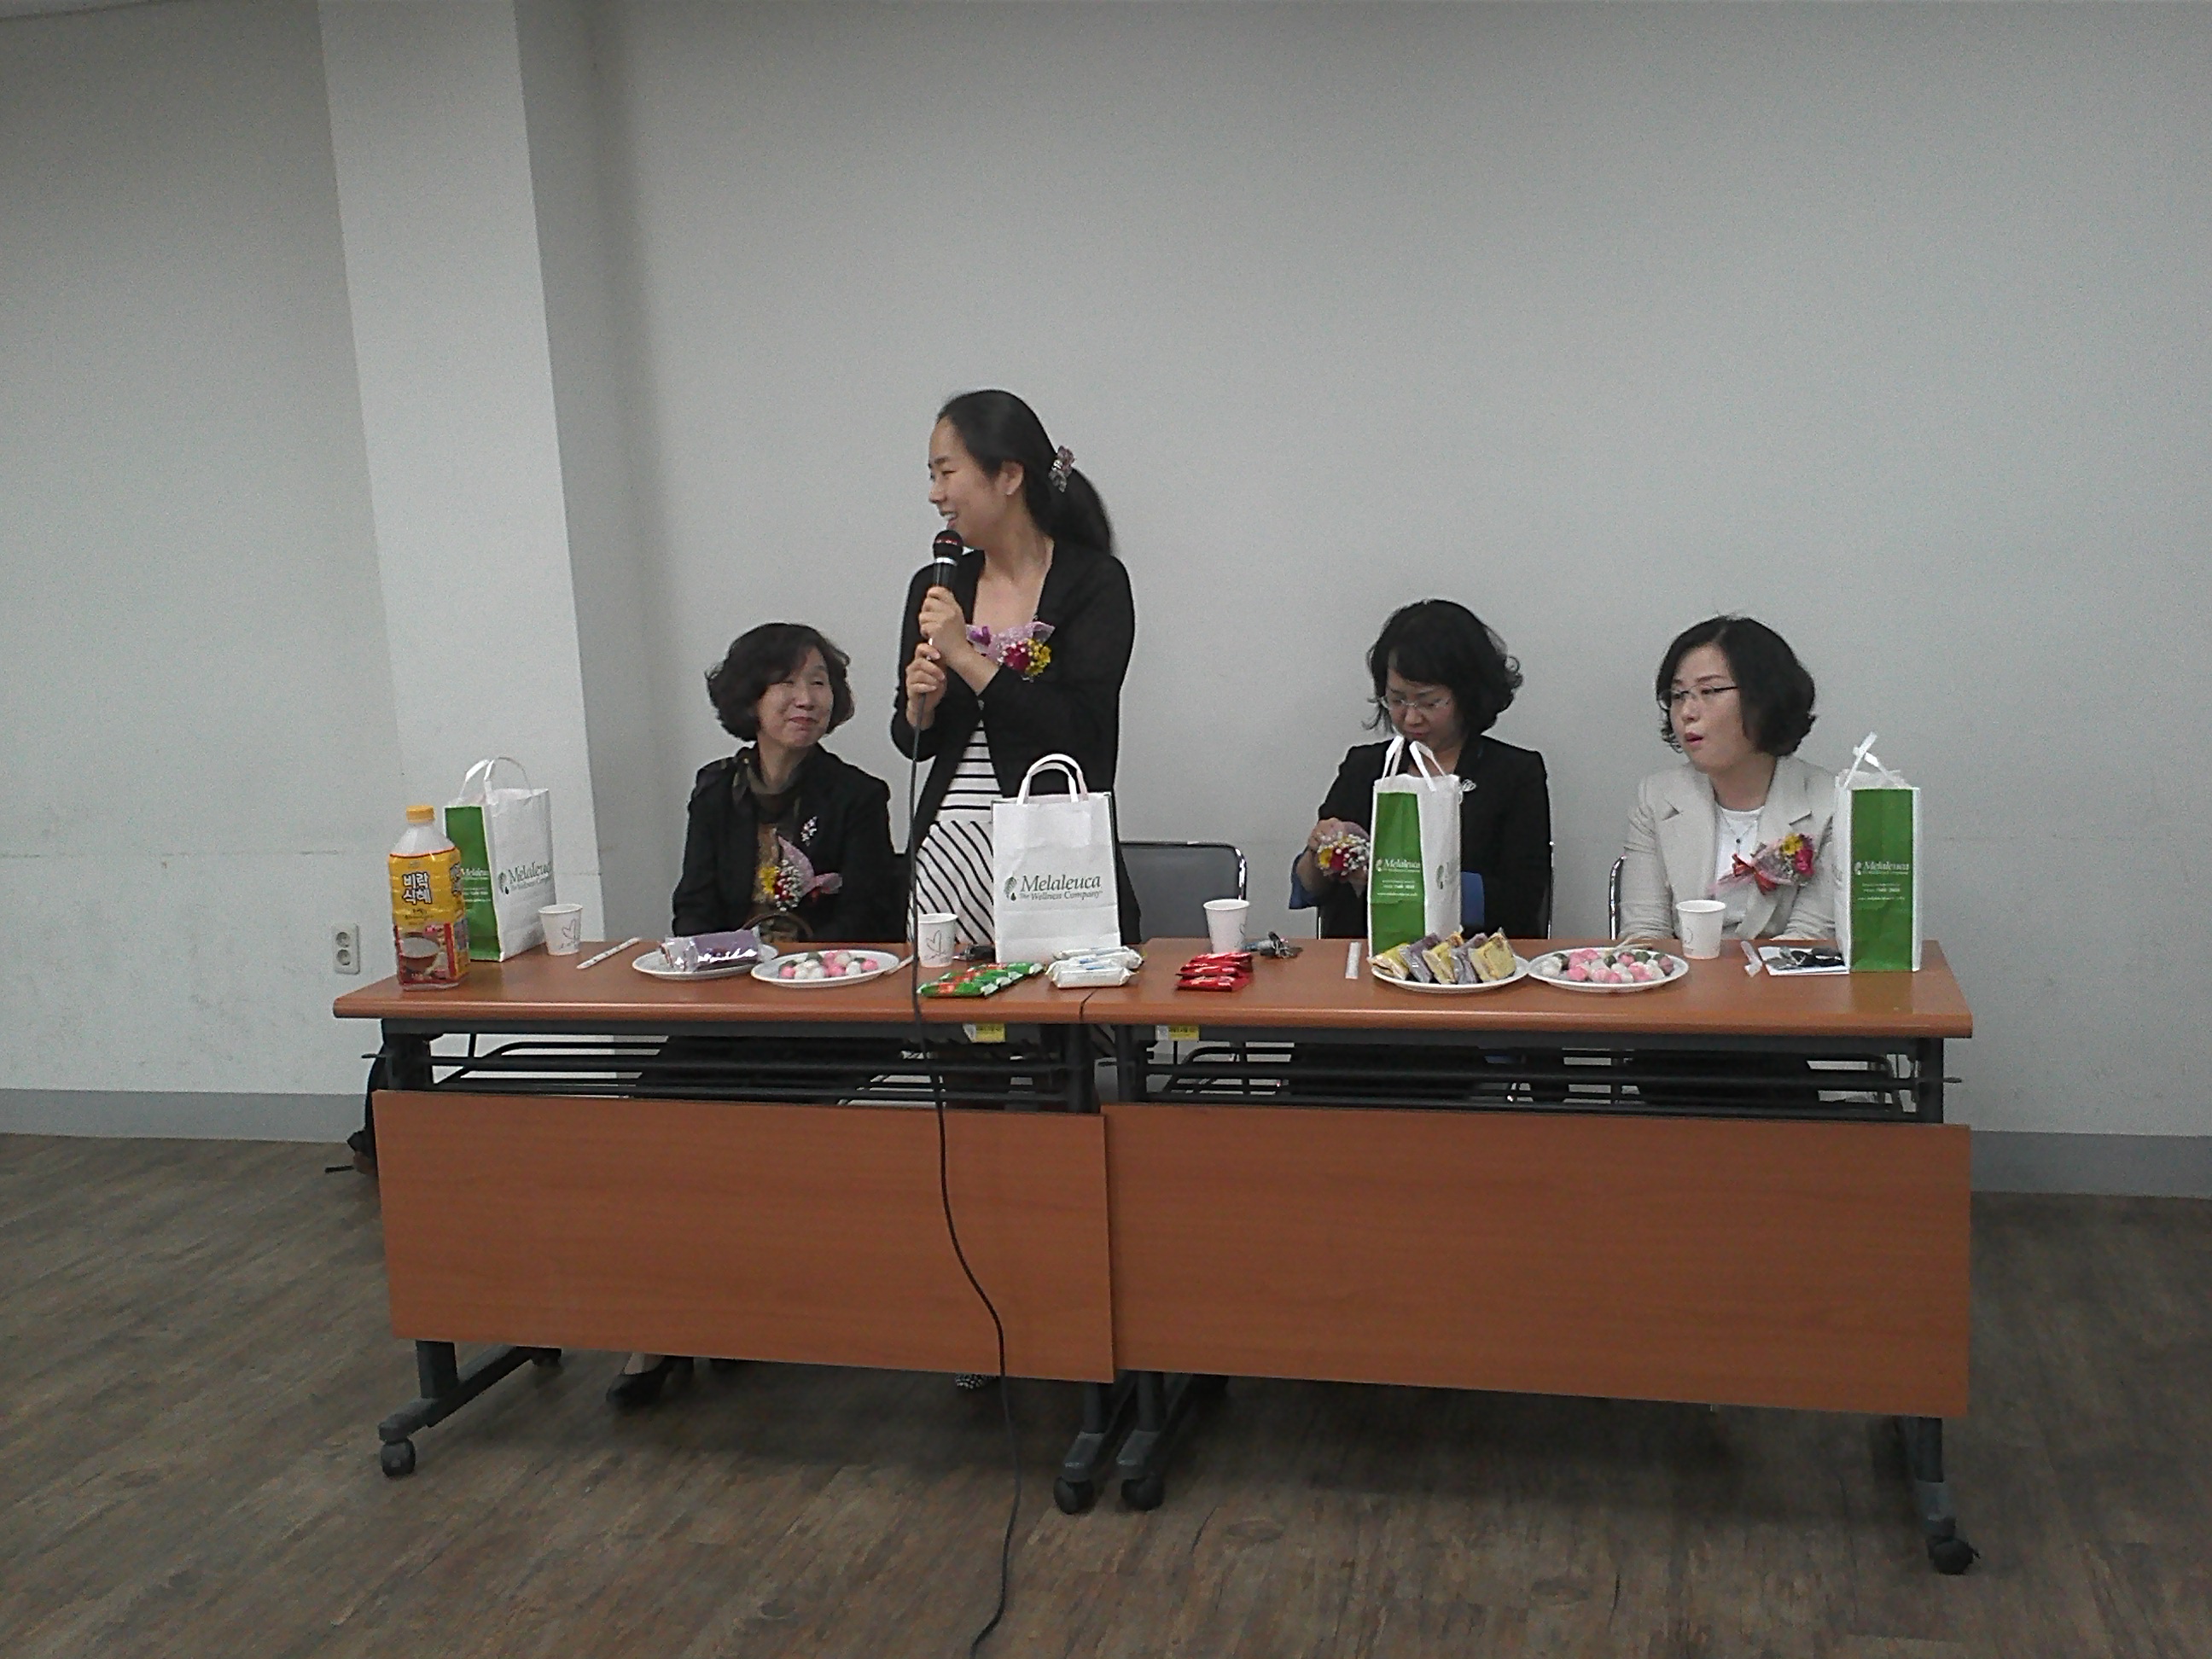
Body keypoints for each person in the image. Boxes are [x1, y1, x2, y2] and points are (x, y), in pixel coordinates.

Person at [610, 622, 899, 1411]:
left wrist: (794, 961)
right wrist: (734, 961)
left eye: (818, 682)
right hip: (731, 1005)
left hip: (826, 1015)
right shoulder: (714, 790)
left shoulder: (857, 795)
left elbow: (873, 921)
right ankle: (666, 1323)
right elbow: (692, 907)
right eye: (785, 683)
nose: (805, 699)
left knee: (753, 1129)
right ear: (749, 698)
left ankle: (740, 1310)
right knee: (654, 1116)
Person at [894, 389, 1139, 952]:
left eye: (947, 472)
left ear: (1008, 475)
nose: (935, 494)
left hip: (1053, 862)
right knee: (944, 1004)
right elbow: (911, 742)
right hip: (947, 859)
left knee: (1061, 1003)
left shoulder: (1093, 582)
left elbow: (1081, 732)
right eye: (931, 476)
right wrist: (918, 706)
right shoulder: (939, 584)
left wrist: (965, 657)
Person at [1292, 600, 1551, 939]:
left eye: (1429, 702)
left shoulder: (1514, 774)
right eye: (1397, 700)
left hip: (1468, 959)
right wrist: (1320, 855)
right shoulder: (1365, 767)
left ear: (1468, 695)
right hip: (1364, 957)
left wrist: (1400, 882)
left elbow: (1521, 900)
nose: (1411, 717)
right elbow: (1309, 889)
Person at [1618, 615, 1837, 943]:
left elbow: (1807, 941)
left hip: (1783, 976)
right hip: (1683, 974)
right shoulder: (1658, 797)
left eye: (1708, 691)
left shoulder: (1832, 803)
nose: (1687, 712)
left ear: (1764, 699)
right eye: (1678, 695)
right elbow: (1644, 935)